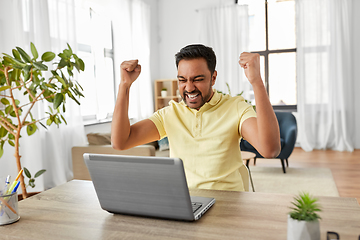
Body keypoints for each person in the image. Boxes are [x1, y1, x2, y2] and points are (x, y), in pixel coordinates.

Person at [111, 44, 280, 191]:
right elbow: (121, 142)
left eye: (197, 79)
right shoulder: (170, 114)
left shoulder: (235, 107)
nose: (189, 88)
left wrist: (256, 81)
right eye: (182, 80)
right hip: (186, 202)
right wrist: (124, 85)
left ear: (213, 78)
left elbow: (270, 150)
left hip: (230, 203)